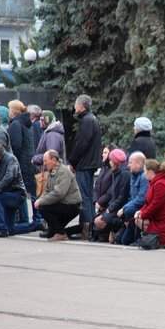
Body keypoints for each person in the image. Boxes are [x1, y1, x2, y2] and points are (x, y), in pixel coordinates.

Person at [68, 94, 102, 239]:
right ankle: (89, 228)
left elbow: (82, 144)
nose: (75, 108)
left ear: (81, 106)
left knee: (84, 197)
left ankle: (87, 230)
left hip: (85, 164)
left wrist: (73, 161)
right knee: (87, 196)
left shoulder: (87, 121)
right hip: (89, 163)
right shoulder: (91, 119)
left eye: (76, 105)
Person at [34, 150, 82, 241]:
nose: (44, 164)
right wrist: (41, 198)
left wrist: (41, 201)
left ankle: (61, 233)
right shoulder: (52, 172)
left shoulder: (63, 171)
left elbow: (59, 193)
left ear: (53, 160)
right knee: (50, 233)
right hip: (61, 204)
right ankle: (60, 231)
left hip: (71, 205)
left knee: (43, 207)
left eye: (45, 161)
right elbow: (47, 190)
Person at [133, 159, 165, 248]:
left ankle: (158, 240)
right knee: (138, 219)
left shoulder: (160, 184)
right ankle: (154, 239)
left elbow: (155, 205)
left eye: (145, 171)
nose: (144, 174)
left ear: (150, 172)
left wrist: (143, 214)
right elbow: (149, 203)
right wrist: (140, 211)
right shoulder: (156, 183)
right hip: (161, 218)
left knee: (139, 220)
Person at [0, 143, 26, 237]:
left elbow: (10, 176)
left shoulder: (11, 159)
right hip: (5, 194)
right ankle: (38, 225)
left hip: (17, 194)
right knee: (10, 229)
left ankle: (1, 229)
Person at [93, 149, 131, 241]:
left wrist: (109, 209)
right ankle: (110, 233)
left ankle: (116, 229)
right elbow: (111, 193)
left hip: (119, 210)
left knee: (99, 221)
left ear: (115, 162)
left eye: (111, 160)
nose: (109, 163)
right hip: (114, 207)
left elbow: (122, 197)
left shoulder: (124, 175)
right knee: (95, 220)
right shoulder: (115, 173)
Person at [116, 152, 148, 245]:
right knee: (121, 240)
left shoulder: (143, 177)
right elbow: (131, 197)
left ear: (138, 164)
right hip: (133, 210)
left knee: (128, 210)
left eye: (130, 162)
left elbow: (141, 198)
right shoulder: (133, 176)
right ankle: (129, 228)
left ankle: (138, 236)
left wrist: (125, 208)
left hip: (141, 208)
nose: (128, 165)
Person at [7, 100, 36, 199]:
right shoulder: (27, 123)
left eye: (9, 109)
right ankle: (36, 215)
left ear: (14, 111)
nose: (8, 112)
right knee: (31, 191)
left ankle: (26, 215)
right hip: (28, 161)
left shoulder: (16, 124)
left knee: (21, 193)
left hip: (20, 162)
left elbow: (16, 145)